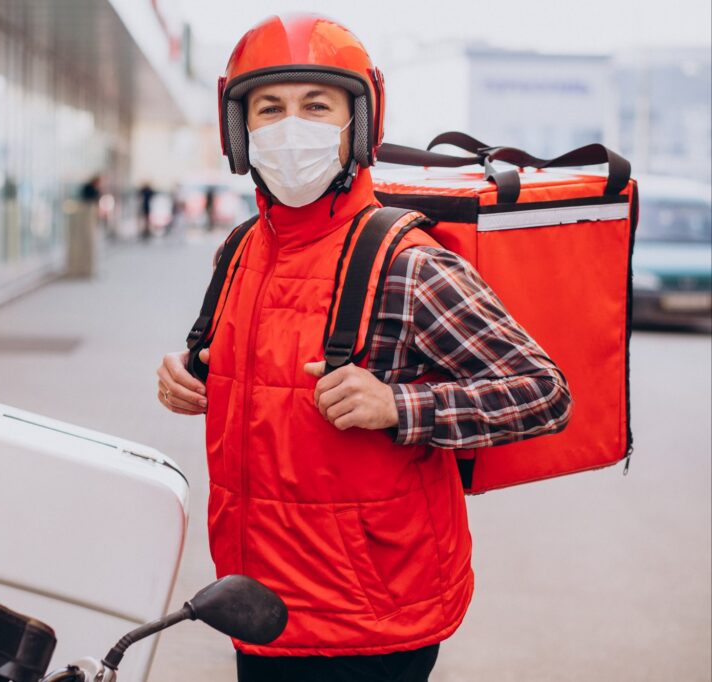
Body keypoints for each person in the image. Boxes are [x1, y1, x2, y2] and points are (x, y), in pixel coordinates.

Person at [155, 15, 573, 682]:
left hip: (370, 624)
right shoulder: (240, 250)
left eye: (315, 106)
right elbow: (257, 374)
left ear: (358, 123)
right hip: (257, 604)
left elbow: (545, 393)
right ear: (240, 131)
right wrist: (192, 372)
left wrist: (400, 407)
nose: (291, 127)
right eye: (270, 109)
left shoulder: (409, 263)